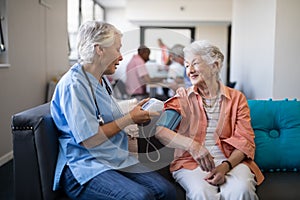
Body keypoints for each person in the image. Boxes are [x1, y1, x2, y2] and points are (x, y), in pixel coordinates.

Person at [50, 20, 175, 200]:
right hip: (85, 167)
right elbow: (89, 140)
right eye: (117, 49)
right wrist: (129, 118)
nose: (121, 57)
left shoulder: (101, 80)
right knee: (141, 197)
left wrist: (135, 116)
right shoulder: (75, 84)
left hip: (112, 158)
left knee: (166, 190)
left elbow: (105, 118)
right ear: (99, 49)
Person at [155, 40, 264, 200]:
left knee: (241, 190)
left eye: (195, 64)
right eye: (186, 65)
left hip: (230, 160)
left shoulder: (236, 98)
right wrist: (193, 146)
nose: (189, 71)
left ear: (215, 65)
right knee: (202, 193)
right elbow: (160, 130)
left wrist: (225, 167)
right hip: (190, 161)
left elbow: (245, 141)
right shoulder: (183, 97)